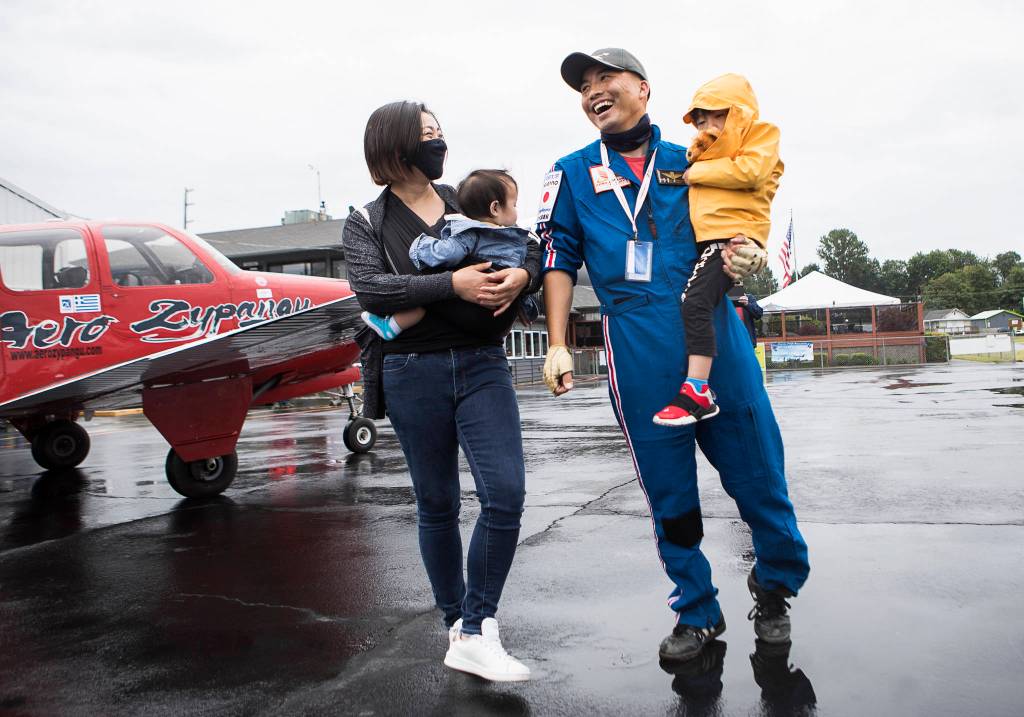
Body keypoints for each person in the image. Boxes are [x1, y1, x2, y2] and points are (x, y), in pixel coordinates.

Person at [539, 48, 809, 663]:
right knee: (670, 495)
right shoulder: (571, 171)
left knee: (760, 476)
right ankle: (696, 609)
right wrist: (557, 343)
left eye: (605, 78)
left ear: (644, 88)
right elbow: (558, 256)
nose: (593, 91)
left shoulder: (693, 158)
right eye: (584, 86)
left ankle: (775, 584)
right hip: (633, 342)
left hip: (713, 332)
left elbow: (745, 212)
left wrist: (751, 254)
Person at [342, 101, 540, 682]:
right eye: (427, 135)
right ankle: (458, 625)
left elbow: (524, 240)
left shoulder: (464, 198)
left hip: (482, 363)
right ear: (396, 145)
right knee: (437, 504)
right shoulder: (365, 218)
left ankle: (479, 624)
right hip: (411, 371)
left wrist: (524, 274)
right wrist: (450, 282)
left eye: (441, 134)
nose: (439, 144)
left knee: (504, 494)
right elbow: (372, 289)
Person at [653, 74, 782, 427]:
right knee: (697, 303)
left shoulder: (762, 133)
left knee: (694, 302)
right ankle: (697, 385)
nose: (708, 126)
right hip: (711, 240)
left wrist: (695, 173)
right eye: (701, 119)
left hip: (732, 238)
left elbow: (752, 172)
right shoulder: (702, 155)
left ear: (739, 113)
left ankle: (697, 389)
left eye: (717, 115)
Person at [360, 169, 539, 340]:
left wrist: (422, 246)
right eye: (514, 204)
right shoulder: (512, 236)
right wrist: (522, 283)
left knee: (426, 299)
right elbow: (535, 252)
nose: (516, 210)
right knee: (431, 292)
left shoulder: (471, 231)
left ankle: (392, 325)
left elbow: (448, 252)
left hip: (480, 306)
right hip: (497, 309)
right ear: (494, 208)